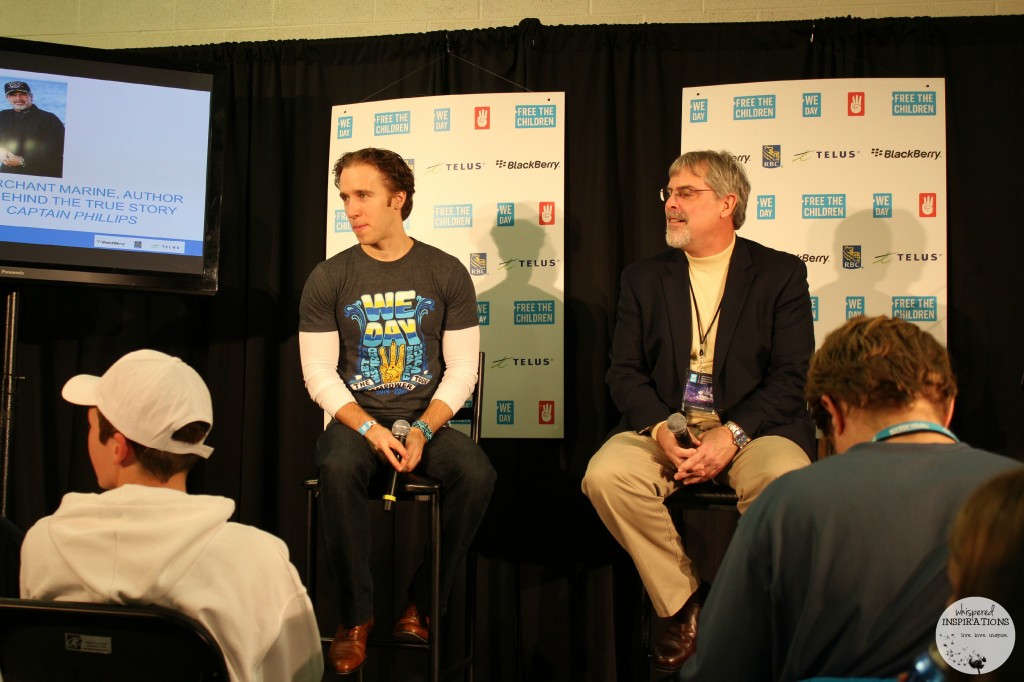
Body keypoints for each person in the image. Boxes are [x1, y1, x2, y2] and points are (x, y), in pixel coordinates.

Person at [679, 315, 1022, 681]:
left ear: (833, 413)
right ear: (949, 406)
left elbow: (720, 668)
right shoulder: (1013, 490)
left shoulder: (787, 503)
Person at [582, 149, 816, 672]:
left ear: (727, 203)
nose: (672, 203)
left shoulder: (779, 273)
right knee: (607, 474)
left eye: (688, 192)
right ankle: (685, 604)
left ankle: (754, 612)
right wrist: (662, 427)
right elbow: (623, 371)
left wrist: (732, 434)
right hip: (668, 425)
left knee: (784, 480)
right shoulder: (644, 278)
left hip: (756, 430)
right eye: (670, 192)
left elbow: (792, 376)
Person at [299, 147, 496, 675]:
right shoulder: (329, 277)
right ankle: (356, 616)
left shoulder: (445, 272)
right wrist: (367, 427)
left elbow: (461, 370)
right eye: (345, 197)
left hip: (423, 420)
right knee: (337, 467)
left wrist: (424, 431)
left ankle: (422, 604)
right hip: (354, 420)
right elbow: (318, 373)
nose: (352, 208)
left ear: (398, 198)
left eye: (363, 195)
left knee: (477, 474)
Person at [19, 350, 323, 682]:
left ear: (119, 446)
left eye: (91, 426)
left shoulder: (42, 543)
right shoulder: (255, 558)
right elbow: (301, 672)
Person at [0, 80, 65, 177]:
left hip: (42, 174)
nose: (18, 98)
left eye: (22, 94)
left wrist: (22, 161)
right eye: (13, 95)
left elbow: (55, 150)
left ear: (31, 96)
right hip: (8, 173)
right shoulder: (2, 116)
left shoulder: (50, 119)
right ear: (7, 98)